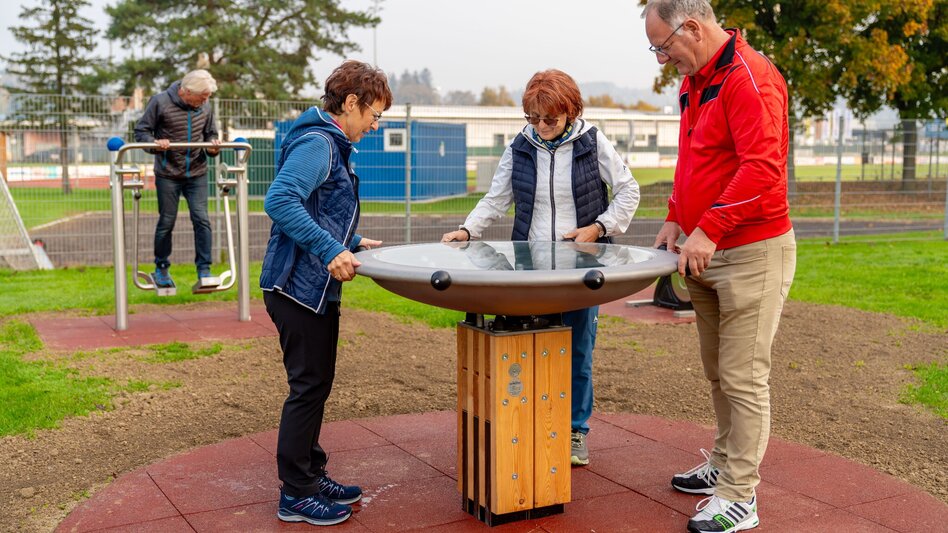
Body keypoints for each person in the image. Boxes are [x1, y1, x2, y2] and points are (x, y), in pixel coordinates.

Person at [642, 1, 796, 532]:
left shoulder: (749, 77)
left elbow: (762, 166)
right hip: (702, 250)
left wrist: (707, 228)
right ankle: (724, 464)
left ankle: (740, 495)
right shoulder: (695, 80)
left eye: (663, 46)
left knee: (743, 375)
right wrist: (674, 216)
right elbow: (696, 156)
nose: (662, 59)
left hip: (750, 250)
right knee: (717, 372)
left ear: (691, 27)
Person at [442, 69, 640, 468]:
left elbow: (628, 189)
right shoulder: (521, 146)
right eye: (533, 117)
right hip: (531, 268)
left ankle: (574, 430)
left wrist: (599, 228)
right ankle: (531, 420)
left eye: (550, 118)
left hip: (582, 266)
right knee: (527, 343)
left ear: (570, 111)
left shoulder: (592, 142)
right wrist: (467, 229)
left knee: (578, 349)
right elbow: (497, 198)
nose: (542, 126)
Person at [259, 60, 391, 527]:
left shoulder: (329, 142)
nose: (375, 125)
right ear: (351, 103)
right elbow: (279, 200)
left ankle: (311, 474)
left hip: (312, 287)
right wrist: (330, 247)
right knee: (307, 387)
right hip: (296, 286)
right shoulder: (319, 143)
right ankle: (296, 492)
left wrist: (350, 242)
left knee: (316, 384)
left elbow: (316, 207)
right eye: (374, 114)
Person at [134, 69, 222, 288]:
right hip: (168, 173)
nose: (206, 100)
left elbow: (210, 133)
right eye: (203, 96)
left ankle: (204, 270)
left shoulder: (205, 106)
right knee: (167, 221)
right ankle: (161, 268)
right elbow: (141, 132)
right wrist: (156, 143)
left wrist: (213, 146)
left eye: (208, 96)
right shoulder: (160, 102)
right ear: (187, 91)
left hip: (197, 172)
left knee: (202, 219)